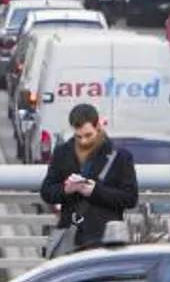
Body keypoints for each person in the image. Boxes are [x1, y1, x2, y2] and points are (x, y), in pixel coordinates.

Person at [39, 104, 140, 255]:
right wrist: (66, 190)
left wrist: (94, 191)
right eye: (78, 136)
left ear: (98, 126)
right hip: (71, 234)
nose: (83, 141)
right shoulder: (62, 153)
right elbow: (47, 191)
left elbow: (130, 198)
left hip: (105, 238)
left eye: (88, 135)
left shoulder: (120, 156)